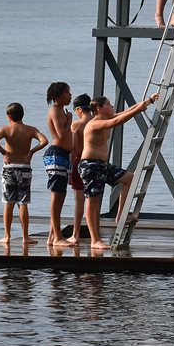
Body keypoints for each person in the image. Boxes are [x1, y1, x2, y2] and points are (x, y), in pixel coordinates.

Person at [79, 93, 159, 250]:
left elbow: (124, 112)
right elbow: (117, 121)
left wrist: (148, 102)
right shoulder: (94, 123)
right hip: (90, 165)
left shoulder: (106, 118)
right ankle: (95, 239)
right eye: (109, 104)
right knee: (93, 201)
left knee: (128, 177)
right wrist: (139, 109)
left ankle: (120, 215)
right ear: (99, 108)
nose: (112, 106)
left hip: (102, 165)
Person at [0, 102, 49, 246]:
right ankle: (25, 236)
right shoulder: (30, 130)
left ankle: (7, 236)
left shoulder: (6, 129)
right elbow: (44, 141)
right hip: (25, 168)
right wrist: (32, 152)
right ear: (22, 115)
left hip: (9, 168)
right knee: (23, 203)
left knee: (8, 203)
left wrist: (3, 152)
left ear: (9, 116)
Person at [44, 82, 74, 247]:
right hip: (56, 154)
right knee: (56, 196)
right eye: (67, 93)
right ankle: (57, 237)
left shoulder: (62, 111)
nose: (70, 95)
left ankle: (52, 237)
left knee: (61, 196)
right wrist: (69, 122)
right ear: (58, 96)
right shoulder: (55, 111)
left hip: (64, 155)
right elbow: (61, 135)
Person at [66, 93, 94, 245]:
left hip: (79, 162)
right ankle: (94, 236)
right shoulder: (96, 121)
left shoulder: (76, 125)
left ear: (78, 109)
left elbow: (74, 149)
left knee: (79, 201)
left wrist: (70, 171)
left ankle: (75, 234)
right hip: (95, 162)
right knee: (93, 200)